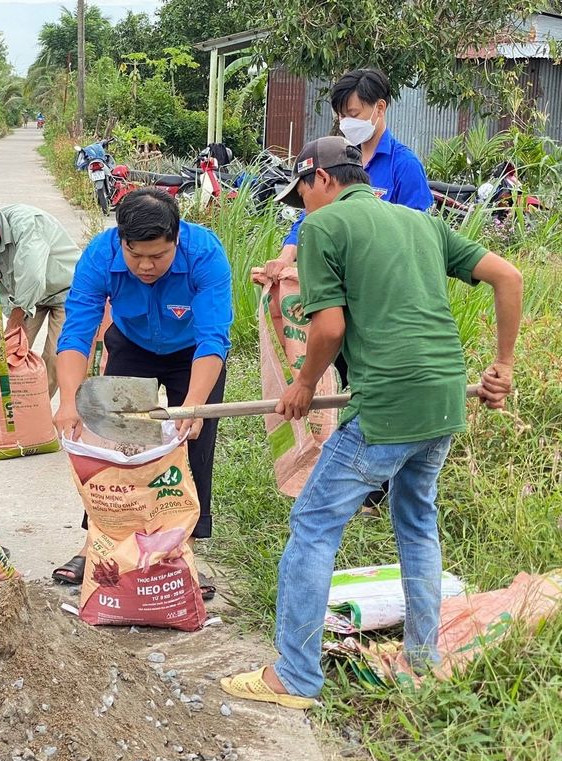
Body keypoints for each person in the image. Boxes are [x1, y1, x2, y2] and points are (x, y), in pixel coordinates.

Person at [221, 137, 521, 708]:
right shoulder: (420, 222)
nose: (301, 207)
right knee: (415, 518)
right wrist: (502, 366)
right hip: (443, 400)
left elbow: (329, 330)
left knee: (312, 524)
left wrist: (304, 385)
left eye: (300, 192)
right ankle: (422, 658)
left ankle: (295, 677)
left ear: (321, 179)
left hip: (387, 404)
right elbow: (508, 277)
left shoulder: (323, 228)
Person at [255, 67, 434, 516]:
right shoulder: (335, 161)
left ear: (379, 109)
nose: (347, 122)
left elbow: (420, 231)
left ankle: (378, 486)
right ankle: (346, 472)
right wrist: (284, 260)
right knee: (338, 380)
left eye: (353, 112)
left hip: (380, 300)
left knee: (371, 387)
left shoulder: (403, 165)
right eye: (341, 115)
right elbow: (306, 221)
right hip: (337, 293)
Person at [51, 188, 233, 597]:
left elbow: (213, 337)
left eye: (158, 256)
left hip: (193, 354)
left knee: (192, 448)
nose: (146, 266)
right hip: (133, 346)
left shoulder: (204, 254)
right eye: (136, 256)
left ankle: (182, 552)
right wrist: (68, 400)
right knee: (119, 449)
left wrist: (194, 405)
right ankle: (98, 547)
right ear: (121, 241)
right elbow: (77, 331)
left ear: (176, 238)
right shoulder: (100, 256)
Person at [0, 201, 79, 397]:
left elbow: (32, 275)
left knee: (55, 355)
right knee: (11, 349)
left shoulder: (27, 224)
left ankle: (39, 410)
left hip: (65, 290)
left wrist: (17, 317)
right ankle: (16, 408)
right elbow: (1, 281)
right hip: (32, 297)